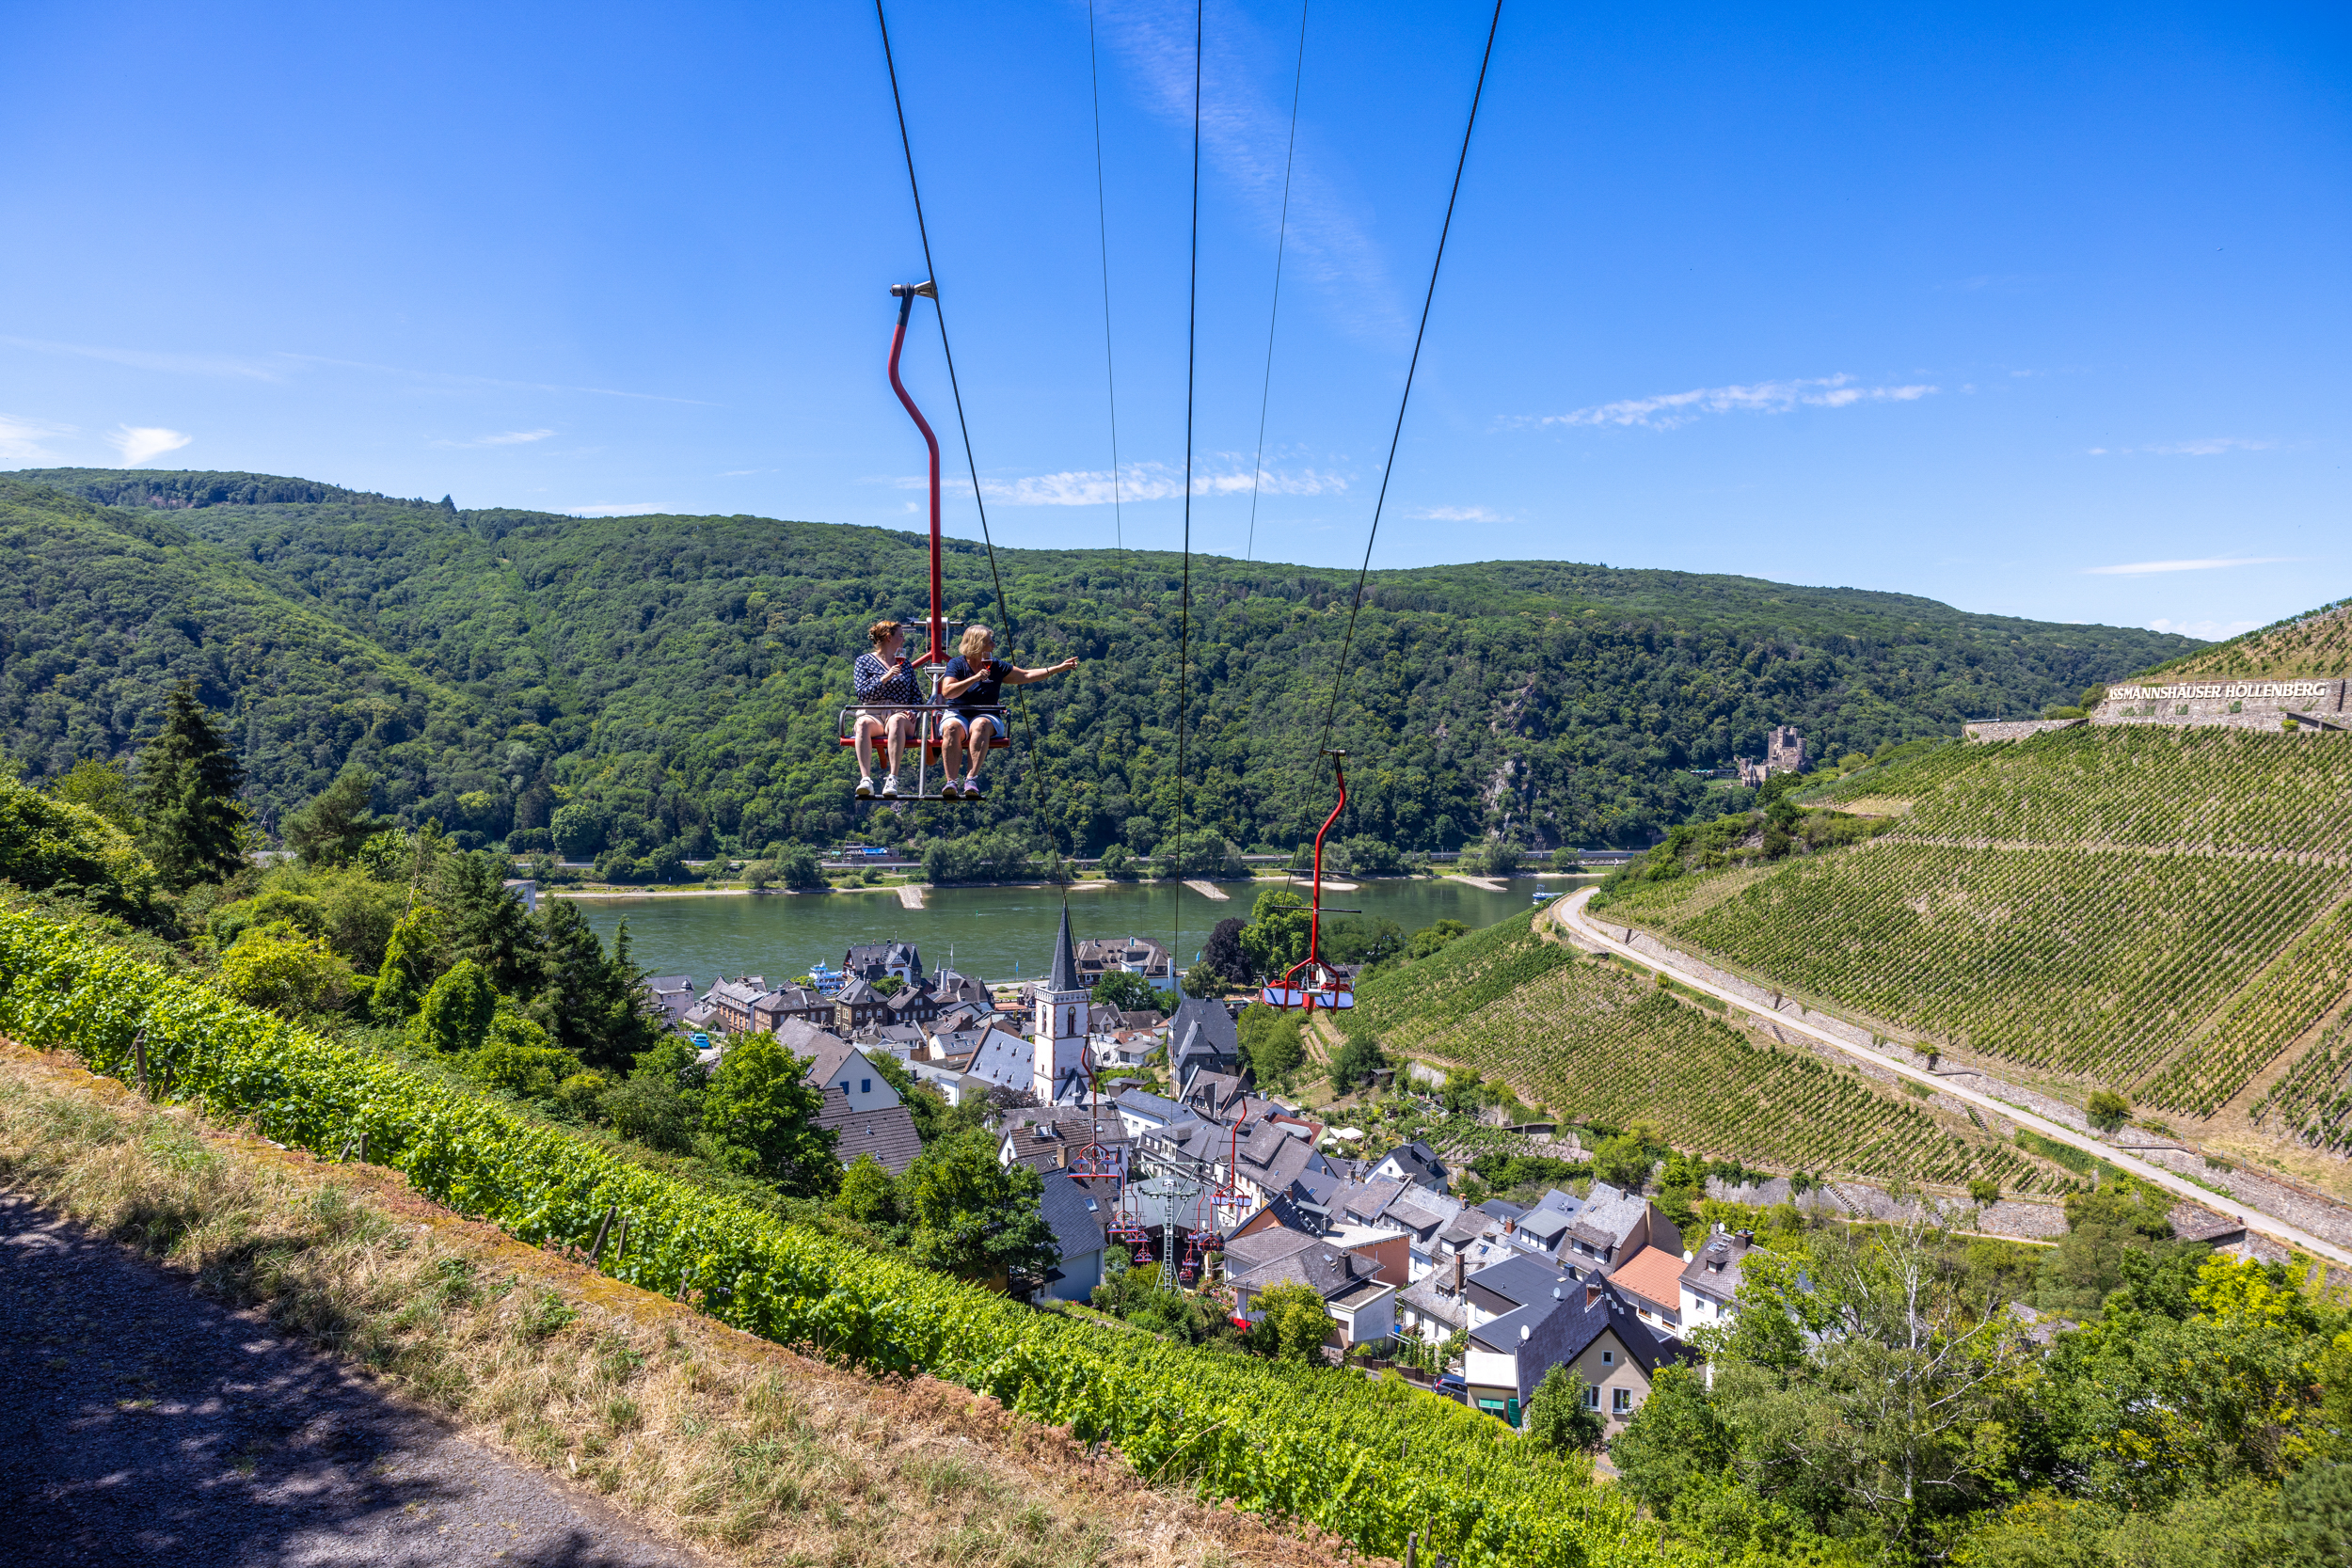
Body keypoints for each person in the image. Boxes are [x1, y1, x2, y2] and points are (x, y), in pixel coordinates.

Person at [937, 625, 1076, 800]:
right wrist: (975, 678)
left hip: (986, 714)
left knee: (980, 724)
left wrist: (1056, 669)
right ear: (977, 644)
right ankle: (951, 782)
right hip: (958, 712)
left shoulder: (995, 666)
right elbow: (948, 692)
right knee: (951, 728)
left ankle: (971, 779)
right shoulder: (956, 664)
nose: (994, 646)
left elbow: (1025, 675)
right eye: (990, 642)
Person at [850, 620, 924, 798]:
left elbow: (916, 696)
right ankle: (866, 779)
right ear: (889, 638)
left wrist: (913, 711)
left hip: (900, 713)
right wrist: (884, 678)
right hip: (873, 712)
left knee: (897, 721)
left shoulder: (904, 664)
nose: (903, 640)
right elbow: (863, 695)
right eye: (901, 636)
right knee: (862, 725)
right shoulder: (864, 662)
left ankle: (892, 778)